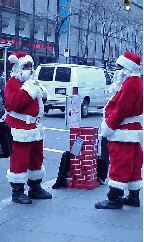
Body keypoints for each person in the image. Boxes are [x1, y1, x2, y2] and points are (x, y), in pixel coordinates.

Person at [95, 51, 143, 209]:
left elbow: (121, 111)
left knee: (119, 165)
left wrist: (108, 126)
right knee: (134, 166)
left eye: (118, 67)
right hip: (132, 131)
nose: (116, 70)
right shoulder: (137, 82)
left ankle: (114, 199)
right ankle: (133, 197)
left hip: (122, 132)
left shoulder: (130, 84)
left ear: (126, 69)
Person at [4, 51, 52, 204]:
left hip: (35, 126)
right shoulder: (12, 83)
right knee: (20, 160)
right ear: (18, 68)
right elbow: (13, 104)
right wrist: (30, 91)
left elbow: (40, 100)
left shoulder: (31, 81)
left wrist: (39, 92)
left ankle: (35, 188)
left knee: (36, 158)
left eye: (31, 66)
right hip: (19, 127)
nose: (29, 69)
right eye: (26, 66)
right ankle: (17, 191)